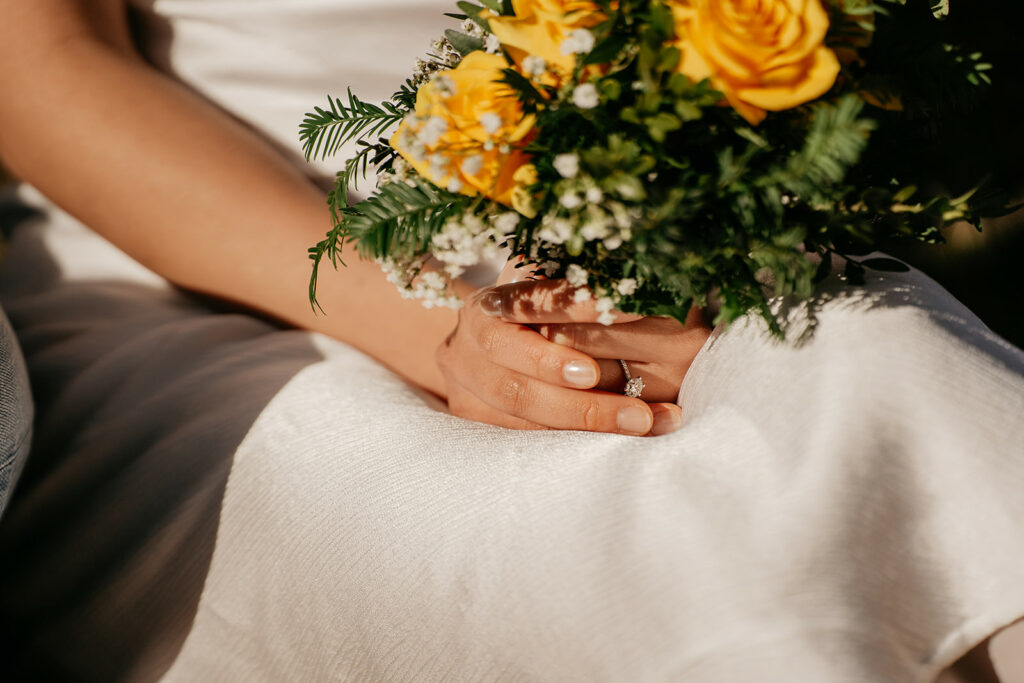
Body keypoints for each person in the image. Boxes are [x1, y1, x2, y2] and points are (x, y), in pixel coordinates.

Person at [0, 1, 1022, 681]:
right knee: (577, 520)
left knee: (885, 368)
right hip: (221, 270)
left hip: (620, 223)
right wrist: (445, 321)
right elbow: (41, 68)